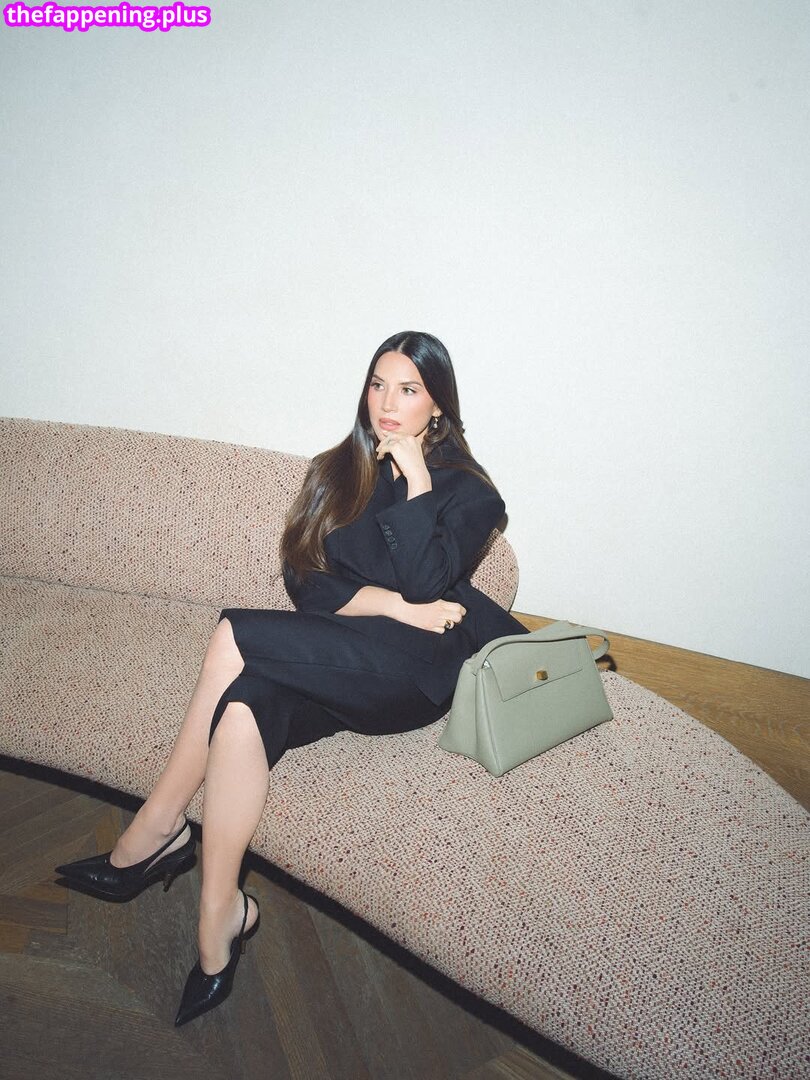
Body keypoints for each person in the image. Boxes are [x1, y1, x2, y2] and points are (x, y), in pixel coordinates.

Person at [55, 330, 528, 1025]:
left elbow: (430, 581)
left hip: (408, 674)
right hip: (338, 651)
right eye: (378, 384)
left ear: (438, 406)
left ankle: (156, 829)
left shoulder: (469, 491)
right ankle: (221, 917)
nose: (387, 403)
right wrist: (394, 606)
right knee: (242, 708)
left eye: (409, 390)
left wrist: (418, 485)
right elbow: (307, 584)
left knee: (232, 635)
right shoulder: (336, 470)